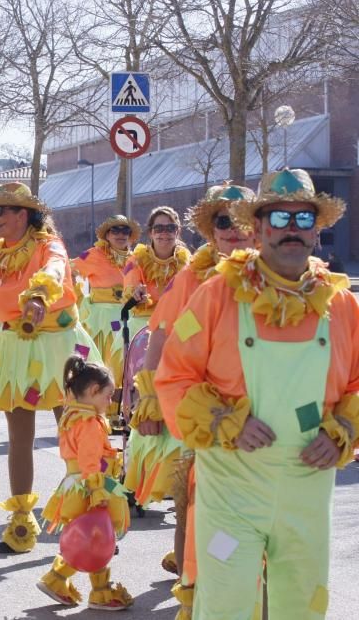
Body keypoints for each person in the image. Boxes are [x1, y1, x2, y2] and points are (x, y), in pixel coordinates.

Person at [156, 168, 359, 620]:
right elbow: (174, 376)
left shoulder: (343, 306)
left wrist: (343, 429)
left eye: (303, 219)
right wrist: (226, 421)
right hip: (231, 493)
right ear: (261, 226)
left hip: (306, 497)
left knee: (302, 608)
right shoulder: (216, 295)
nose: (291, 228)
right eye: (279, 218)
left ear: (318, 228)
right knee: (224, 605)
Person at [134, 183, 255, 617]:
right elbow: (161, 337)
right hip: (207, 413)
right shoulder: (192, 279)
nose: (234, 231)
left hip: (267, 420)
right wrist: (150, 402)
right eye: (224, 221)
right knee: (196, 500)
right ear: (211, 232)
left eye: (243, 220)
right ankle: (196, 585)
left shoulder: (283, 276)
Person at [0, 182, 102, 554]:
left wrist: (41, 292)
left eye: (1, 212)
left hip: (60, 346)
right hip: (17, 345)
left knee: (75, 430)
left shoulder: (49, 245)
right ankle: (21, 521)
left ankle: (89, 515)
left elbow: (56, 269)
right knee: (19, 437)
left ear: (22, 215)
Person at [36, 355, 133, 611]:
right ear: (93, 391)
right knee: (95, 538)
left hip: (75, 483)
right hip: (89, 486)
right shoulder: (89, 422)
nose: (109, 402)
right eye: (108, 395)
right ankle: (86, 588)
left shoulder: (72, 415)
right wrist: (97, 492)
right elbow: (91, 460)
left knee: (90, 538)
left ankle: (66, 581)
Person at [121, 206, 191, 527]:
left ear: (178, 232)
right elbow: (130, 284)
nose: (164, 233)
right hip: (143, 326)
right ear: (150, 232)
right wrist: (136, 292)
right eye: (159, 228)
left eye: (170, 228)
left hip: (181, 329)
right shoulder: (136, 258)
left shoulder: (189, 263)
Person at [72, 215, 139, 393]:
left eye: (125, 231)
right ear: (107, 235)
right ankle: (92, 398)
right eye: (115, 230)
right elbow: (69, 269)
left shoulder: (137, 259)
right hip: (99, 320)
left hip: (127, 317)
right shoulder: (94, 255)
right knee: (96, 359)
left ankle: (120, 402)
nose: (120, 234)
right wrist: (78, 299)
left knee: (123, 360)